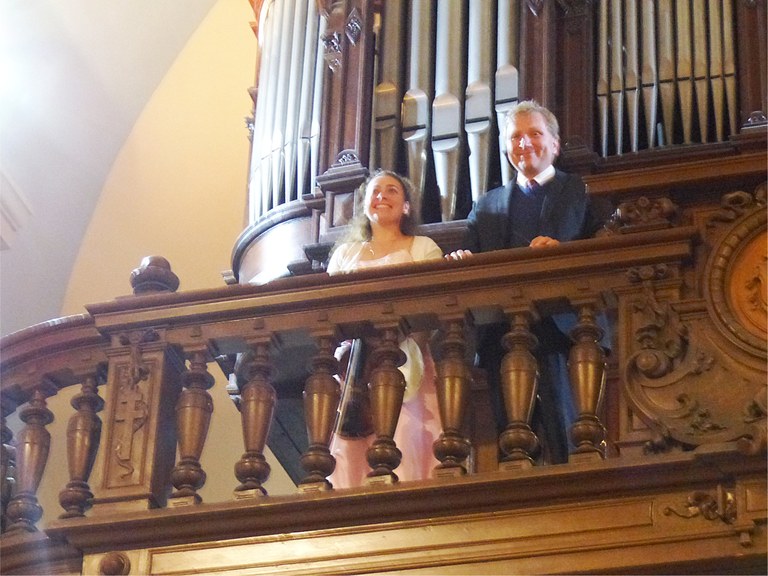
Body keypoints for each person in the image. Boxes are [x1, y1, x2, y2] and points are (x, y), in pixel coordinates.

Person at [450, 100, 611, 464]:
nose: (524, 143)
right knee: (515, 447)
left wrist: (564, 253)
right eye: (515, 137)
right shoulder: (486, 205)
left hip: (569, 332)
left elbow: (604, 248)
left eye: (534, 134)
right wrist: (462, 261)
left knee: (572, 442)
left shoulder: (583, 192)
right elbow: (471, 259)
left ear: (554, 143)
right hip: (503, 335)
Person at [326, 169, 444, 487]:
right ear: (365, 205)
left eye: (392, 190)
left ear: (406, 206)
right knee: (353, 443)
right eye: (375, 191)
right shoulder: (345, 254)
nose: (382, 196)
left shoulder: (423, 247)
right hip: (354, 363)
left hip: (404, 358)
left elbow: (430, 306)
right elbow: (329, 308)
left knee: (403, 435)